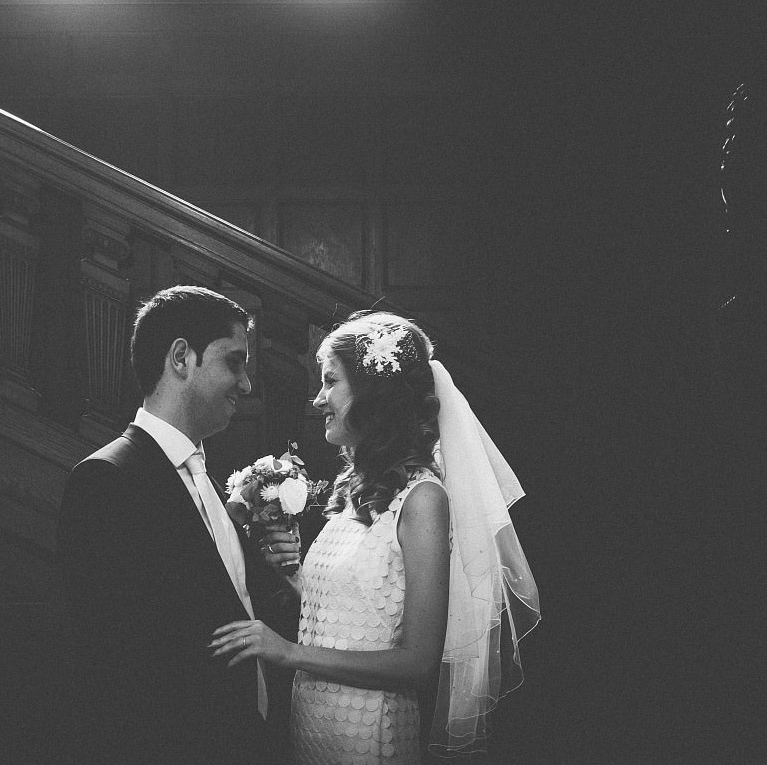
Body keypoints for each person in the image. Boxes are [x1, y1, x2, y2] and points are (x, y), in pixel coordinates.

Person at [210, 311, 540, 763]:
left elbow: (417, 662)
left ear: (373, 393)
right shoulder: (356, 487)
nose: (318, 399)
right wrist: (294, 577)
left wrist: (287, 652)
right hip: (314, 723)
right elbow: (359, 618)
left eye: (329, 382)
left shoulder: (422, 498)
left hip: (369, 736)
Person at [56, 285, 287, 765]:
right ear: (182, 358)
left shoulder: (203, 474)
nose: (246, 385)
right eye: (234, 362)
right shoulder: (106, 479)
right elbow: (111, 662)